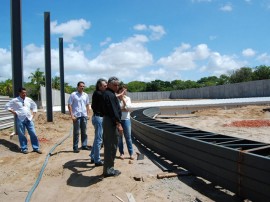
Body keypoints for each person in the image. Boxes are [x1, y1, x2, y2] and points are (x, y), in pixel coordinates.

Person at [5, 87, 42, 154]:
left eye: (25, 93)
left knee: (33, 133)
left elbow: (34, 106)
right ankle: (24, 148)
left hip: (29, 119)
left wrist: (34, 114)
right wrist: (13, 112)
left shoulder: (28, 99)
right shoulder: (15, 100)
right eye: (23, 93)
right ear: (19, 93)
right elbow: (7, 106)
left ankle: (36, 148)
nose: (24, 94)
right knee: (22, 134)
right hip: (20, 119)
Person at [101, 76, 123, 177]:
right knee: (111, 146)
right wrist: (118, 124)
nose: (117, 86)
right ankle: (108, 170)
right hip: (111, 122)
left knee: (111, 145)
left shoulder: (109, 94)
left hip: (109, 121)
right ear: (109, 84)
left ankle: (109, 168)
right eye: (115, 85)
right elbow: (113, 111)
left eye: (118, 85)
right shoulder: (109, 95)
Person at [68, 81, 91, 153]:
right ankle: (75, 147)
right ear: (77, 87)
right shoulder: (73, 94)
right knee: (76, 132)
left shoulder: (85, 95)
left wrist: (87, 114)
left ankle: (84, 145)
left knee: (84, 131)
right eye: (81, 86)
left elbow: (87, 105)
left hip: (84, 116)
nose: (82, 87)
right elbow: (69, 105)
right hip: (76, 116)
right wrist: (72, 115)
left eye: (83, 86)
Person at [89, 78, 107, 166]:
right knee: (99, 140)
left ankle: (93, 156)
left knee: (97, 139)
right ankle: (97, 160)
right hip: (98, 118)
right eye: (104, 86)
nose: (106, 87)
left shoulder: (99, 94)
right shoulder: (98, 93)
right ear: (99, 86)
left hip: (98, 118)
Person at [117, 85, 134, 160]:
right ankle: (121, 153)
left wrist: (123, 100)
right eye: (122, 90)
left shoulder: (128, 98)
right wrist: (123, 108)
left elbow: (128, 108)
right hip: (119, 120)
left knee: (128, 137)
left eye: (125, 90)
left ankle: (131, 153)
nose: (124, 92)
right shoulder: (116, 98)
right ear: (119, 91)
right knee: (120, 138)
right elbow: (117, 109)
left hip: (126, 119)